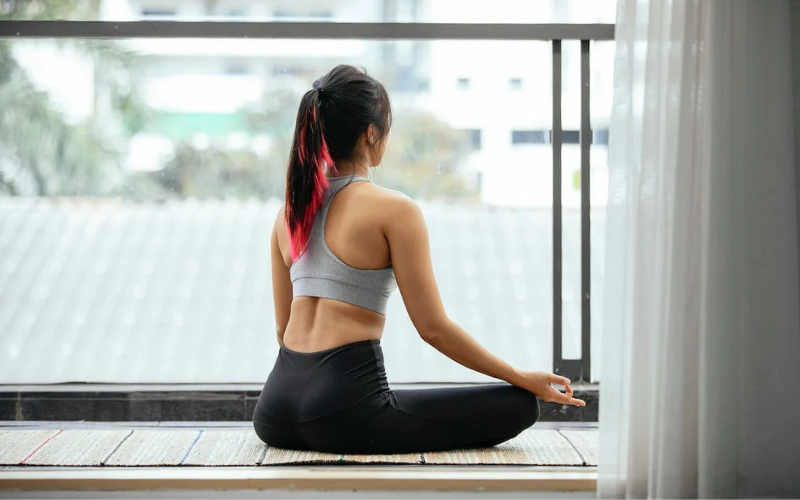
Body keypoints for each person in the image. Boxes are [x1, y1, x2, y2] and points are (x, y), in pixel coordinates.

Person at [252, 64, 585, 455]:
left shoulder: (290, 212)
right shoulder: (393, 209)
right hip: (342, 414)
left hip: (274, 413)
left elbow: (282, 328)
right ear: (372, 133)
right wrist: (520, 377)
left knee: (399, 399)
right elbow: (433, 328)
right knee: (517, 404)